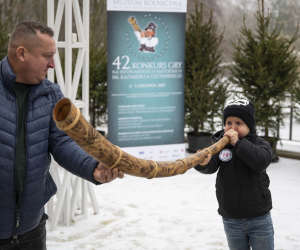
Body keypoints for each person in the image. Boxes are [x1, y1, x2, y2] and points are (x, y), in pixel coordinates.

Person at [0, 20, 124, 249]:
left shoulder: (51, 93)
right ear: (21, 53)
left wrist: (92, 167)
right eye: (47, 55)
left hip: (31, 230)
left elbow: (61, 142)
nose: (52, 64)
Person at [194, 99, 274, 250]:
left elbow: (261, 162)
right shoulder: (219, 145)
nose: (233, 127)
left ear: (249, 125)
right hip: (231, 217)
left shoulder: (260, 144)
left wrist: (238, 144)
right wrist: (203, 163)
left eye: (239, 123)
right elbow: (211, 167)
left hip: (259, 216)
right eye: (229, 122)